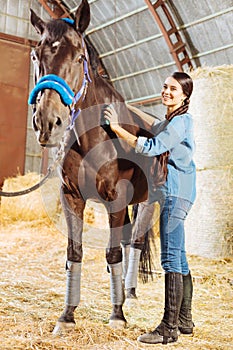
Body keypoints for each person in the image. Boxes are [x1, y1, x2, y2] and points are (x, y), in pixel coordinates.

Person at [104, 71, 196, 345]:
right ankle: (185, 320)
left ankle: (169, 328)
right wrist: (126, 110)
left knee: (170, 258)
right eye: (165, 86)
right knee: (179, 258)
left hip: (176, 194)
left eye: (173, 89)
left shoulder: (181, 122)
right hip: (174, 193)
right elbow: (150, 127)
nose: (166, 91)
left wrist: (117, 129)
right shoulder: (169, 121)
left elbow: (154, 146)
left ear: (184, 95)